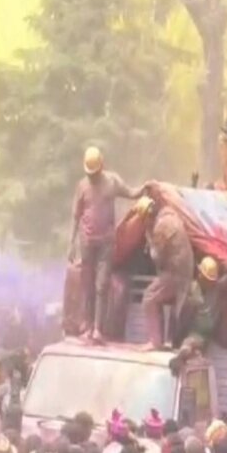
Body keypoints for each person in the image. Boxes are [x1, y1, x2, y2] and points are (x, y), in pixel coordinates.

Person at [68, 145, 145, 343]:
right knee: (87, 285)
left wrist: (145, 188)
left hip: (106, 243)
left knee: (101, 285)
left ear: (102, 166)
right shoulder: (82, 186)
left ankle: (97, 329)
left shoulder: (112, 182)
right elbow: (76, 216)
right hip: (86, 242)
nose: (92, 177)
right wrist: (72, 244)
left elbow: (131, 192)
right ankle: (87, 325)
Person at [138, 197, 195, 351]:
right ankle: (161, 340)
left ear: (148, 217)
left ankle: (155, 341)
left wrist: (149, 239)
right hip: (184, 271)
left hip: (176, 272)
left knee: (149, 297)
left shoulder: (160, 227)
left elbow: (157, 257)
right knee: (156, 298)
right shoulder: (170, 215)